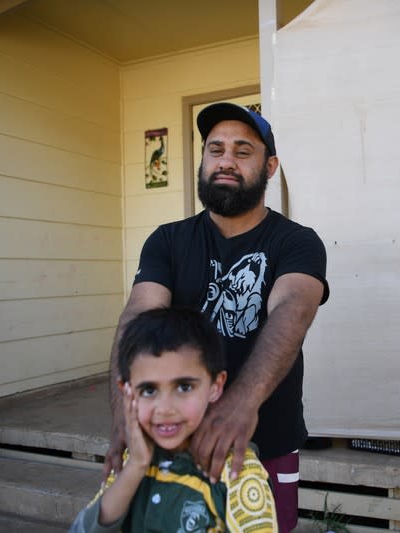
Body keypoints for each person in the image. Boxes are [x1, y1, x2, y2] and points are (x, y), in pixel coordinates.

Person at [104, 102, 329, 533]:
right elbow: (138, 316)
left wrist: (241, 404)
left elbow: (292, 311)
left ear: (270, 166)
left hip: (267, 438)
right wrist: (123, 412)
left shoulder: (297, 242)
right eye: (215, 149)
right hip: (171, 439)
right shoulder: (168, 241)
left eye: (243, 151)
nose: (226, 160)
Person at [72, 307, 277, 533]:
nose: (166, 408)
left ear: (215, 386)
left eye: (184, 387)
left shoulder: (238, 473)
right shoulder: (131, 456)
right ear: (127, 392)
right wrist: (136, 466)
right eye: (149, 390)